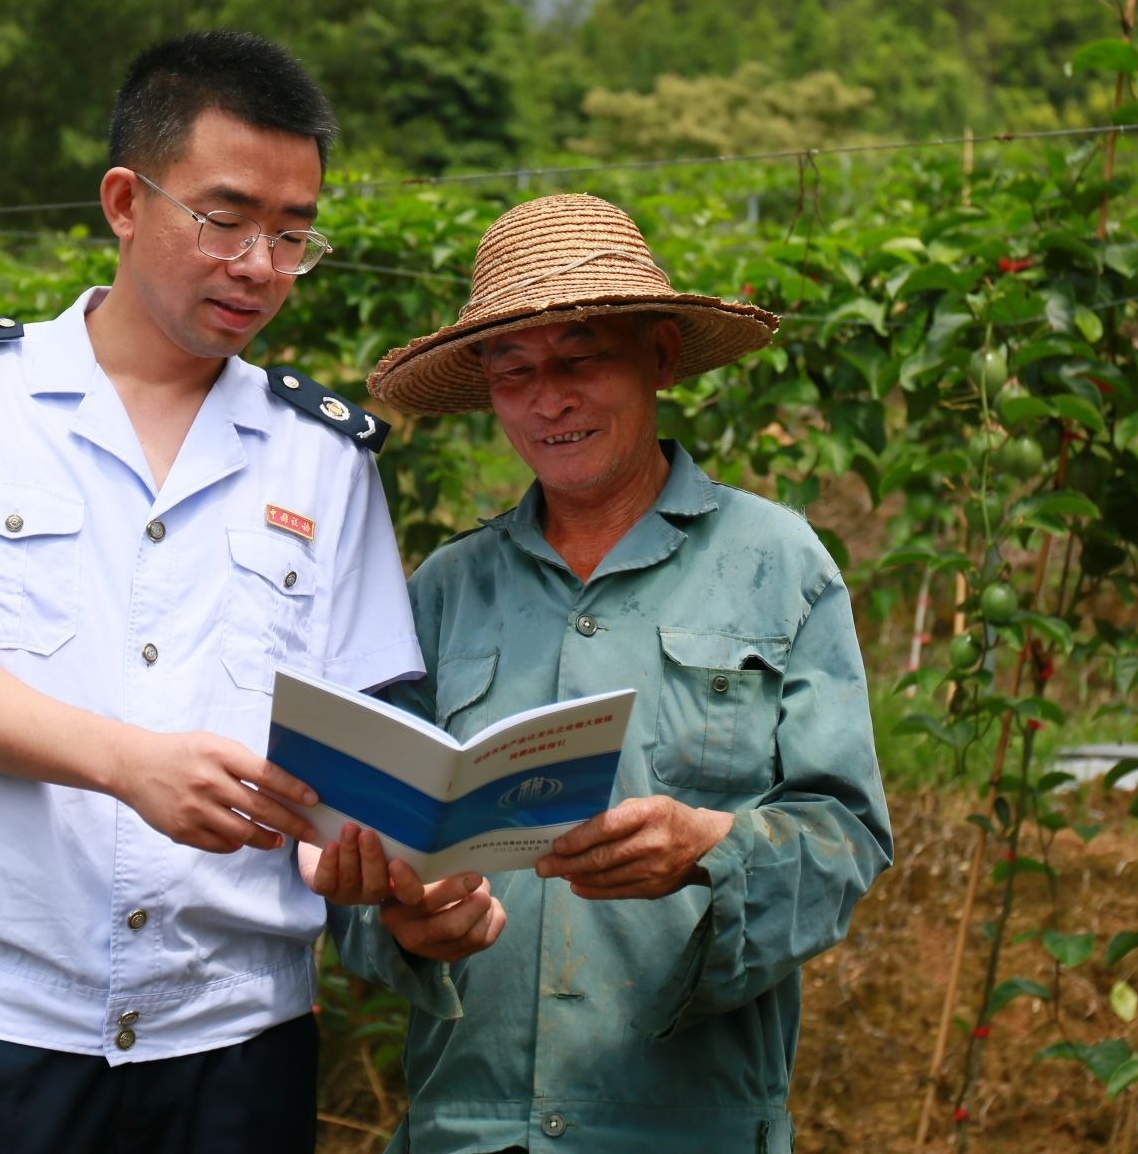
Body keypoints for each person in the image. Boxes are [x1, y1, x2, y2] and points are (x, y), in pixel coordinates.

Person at [0, 29, 425, 1154]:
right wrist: (126, 762)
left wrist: (361, 854)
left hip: (232, 1038)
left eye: (294, 235)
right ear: (125, 201)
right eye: (225, 219)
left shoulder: (323, 458)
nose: (260, 266)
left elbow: (355, 737)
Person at [320, 193, 895, 1153]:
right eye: (514, 371)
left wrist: (713, 846)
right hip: (470, 1128)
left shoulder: (778, 564)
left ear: (659, 356)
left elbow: (847, 837)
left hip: (689, 1127)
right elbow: (369, 848)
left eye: (581, 358)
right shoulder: (448, 588)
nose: (549, 400)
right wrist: (399, 921)